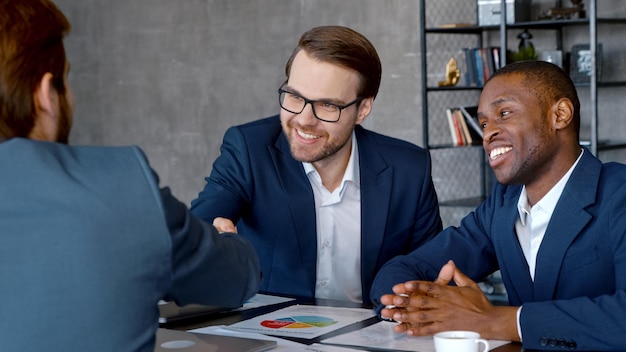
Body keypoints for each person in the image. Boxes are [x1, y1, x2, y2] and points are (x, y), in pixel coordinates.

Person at [0, 0, 261, 351]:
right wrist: (228, 241)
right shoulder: (122, 185)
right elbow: (235, 278)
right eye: (67, 80)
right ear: (46, 95)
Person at [370, 60, 626, 351]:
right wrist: (416, 304)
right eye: (483, 123)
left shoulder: (618, 194)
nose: (488, 132)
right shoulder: (502, 205)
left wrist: (494, 320)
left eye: (504, 113)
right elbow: (405, 269)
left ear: (560, 114)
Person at [190, 25, 442, 305]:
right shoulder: (249, 149)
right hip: (272, 335)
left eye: (327, 105)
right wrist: (209, 241)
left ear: (363, 110)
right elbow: (196, 231)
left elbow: (430, 272)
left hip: (373, 336)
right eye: (295, 96)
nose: (304, 119)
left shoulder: (409, 170)